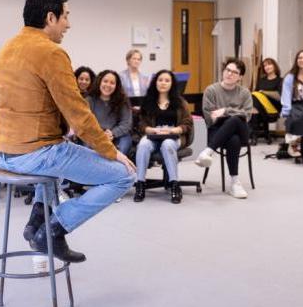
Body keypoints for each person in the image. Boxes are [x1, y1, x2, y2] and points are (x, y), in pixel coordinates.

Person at [0, 0, 135, 263]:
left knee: (60, 153)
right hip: (34, 155)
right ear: (50, 17)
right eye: (66, 16)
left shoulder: (7, 48)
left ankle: (35, 222)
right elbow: (79, 114)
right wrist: (109, 150)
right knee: (123, 175)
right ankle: (53, 229)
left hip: (2, 151)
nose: (68, 24)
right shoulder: (51, 53)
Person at [194, 58, 252, 199]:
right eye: (228, 70)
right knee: (233, 140)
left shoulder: (244, 93)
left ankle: (208, 151)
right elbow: (210, 117)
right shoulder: (211, 90)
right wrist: (234, 112)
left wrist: (225, 111)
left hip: (241, 129)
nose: (230, 74)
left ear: (240, 77)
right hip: (217, 130)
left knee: (235, 120)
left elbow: (247, 115)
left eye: (234, 72)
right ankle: (234, 182)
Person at [133, 70, 193, 204]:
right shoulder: (148, 101)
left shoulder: (180, 102)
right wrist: (150, 129)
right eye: (160, 80)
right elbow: (141, 123)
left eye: (167, 80)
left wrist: (175, 129)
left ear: (172, 84)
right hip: (154, 135)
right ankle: (140, 183)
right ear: (155, 82)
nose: (163, 83)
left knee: (167, 144)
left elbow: (188, 122)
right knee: (142, 145)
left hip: (173, 136)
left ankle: (174, 184)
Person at [86, 70, 132, 156]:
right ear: (99, 82)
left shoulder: (123, 101)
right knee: (87, 146)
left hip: (117, 135)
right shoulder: (90, 100)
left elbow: (126, 123)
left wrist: (112, 133)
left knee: (125, 141)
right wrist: (100, 135)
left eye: (112, 83)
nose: (108, 85)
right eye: (105, 81)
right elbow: (86, 123)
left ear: (116, 86)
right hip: (95, 135)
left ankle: (116, 166)